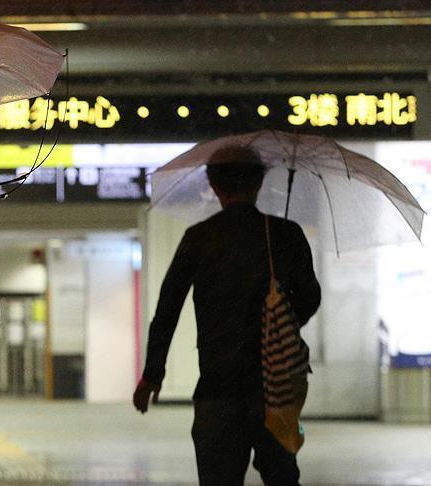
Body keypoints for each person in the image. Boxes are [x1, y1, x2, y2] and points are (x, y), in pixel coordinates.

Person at [133, 146, 321, 486]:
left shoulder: (199, 238)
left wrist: (152, 374)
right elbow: (310, 297)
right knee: (282, 478)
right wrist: (279, 323)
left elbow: (167, 310)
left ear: (213, 184)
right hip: (274, 388)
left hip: (217, 391)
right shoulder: (285, 234)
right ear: (259, 182)